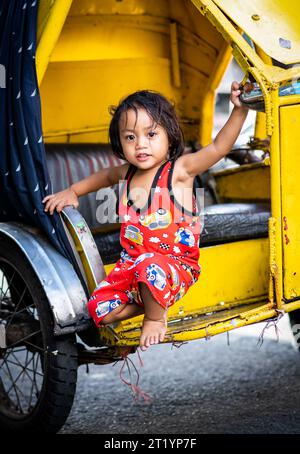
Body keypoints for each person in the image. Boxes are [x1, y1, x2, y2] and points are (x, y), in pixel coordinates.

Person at [42, 81, 251, 351]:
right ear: (120, 142)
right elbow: (104, 176)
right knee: (97, 309)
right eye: (130, 137)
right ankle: (151, 298)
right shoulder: (126, 173)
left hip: (174, 265)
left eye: (151, 134)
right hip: (132, 269)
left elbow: (219, 148)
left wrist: (239, 109)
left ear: (170, 137)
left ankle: (155, 316)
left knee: (149, 266)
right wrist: (73, 191)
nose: (140, 144)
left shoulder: (179, 170)